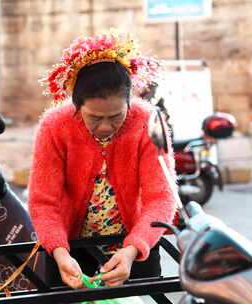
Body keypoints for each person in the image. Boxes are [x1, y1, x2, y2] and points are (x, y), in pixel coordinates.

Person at [29, 32, 177, 289]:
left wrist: (132, 249)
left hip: (136, 248)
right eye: (95, 118)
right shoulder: (54, 126)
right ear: (76, 105)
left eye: (116, 116)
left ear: (130, 101)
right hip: (71, 252)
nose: (106, 126)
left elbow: (162, 197)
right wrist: (60, 252)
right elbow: (44, 201)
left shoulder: (147, 121)